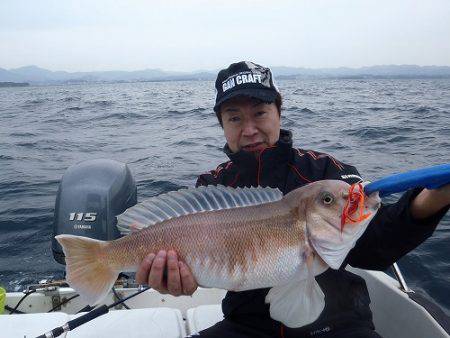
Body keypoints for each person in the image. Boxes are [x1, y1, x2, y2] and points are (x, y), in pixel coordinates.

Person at [136, 61, 450, 337]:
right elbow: (198, 267)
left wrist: (432, 200)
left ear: (278, 112)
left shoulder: (326, 172)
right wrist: (178, 280)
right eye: (234, 118)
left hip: (340, 323)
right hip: (246, 326)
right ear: (222, 125)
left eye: (260, 113)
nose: (249, 130)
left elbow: (374, 246)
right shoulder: (212, 186)